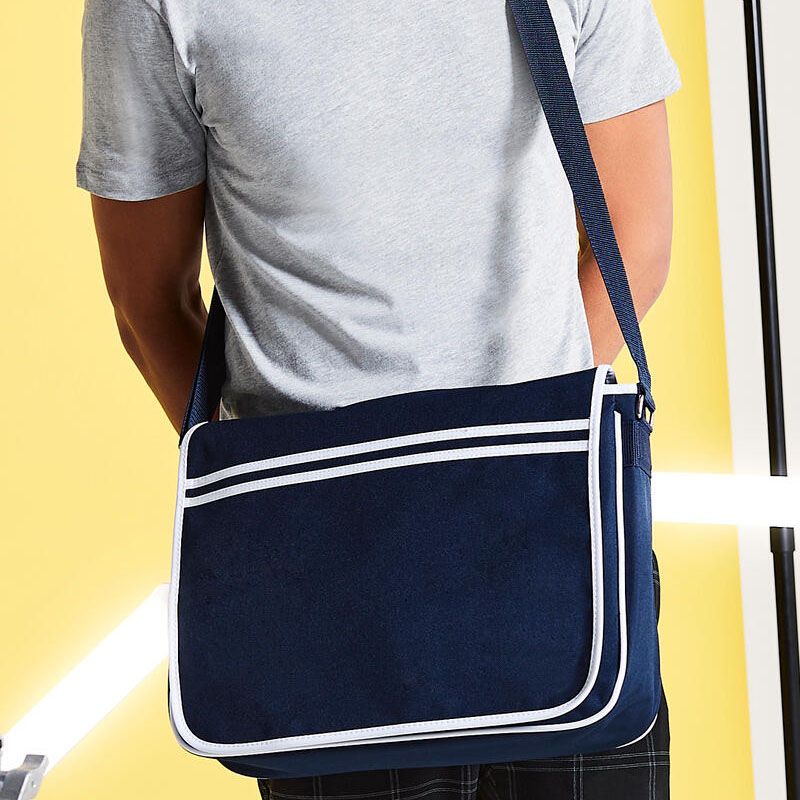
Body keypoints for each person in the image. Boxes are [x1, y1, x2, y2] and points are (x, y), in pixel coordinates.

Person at [76, 0, 681, 796]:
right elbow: (149, 301)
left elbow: (635, 239)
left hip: (555, 535)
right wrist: (270, 497)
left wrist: (515, 450)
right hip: (326, 571)